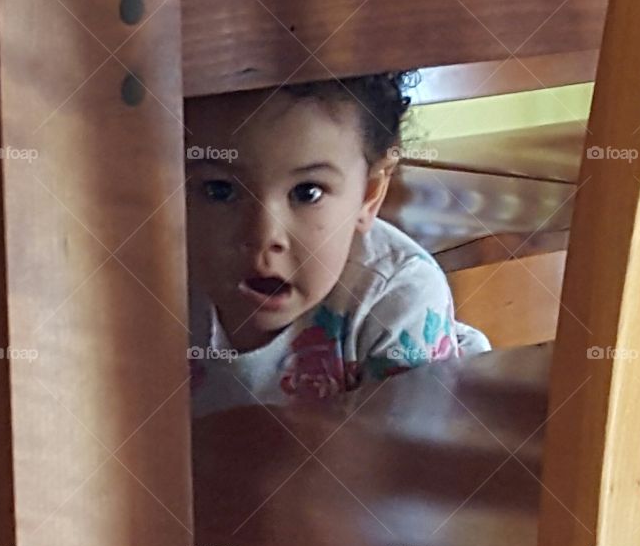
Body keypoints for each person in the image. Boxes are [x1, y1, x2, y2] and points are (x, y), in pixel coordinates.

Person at [186, 72, 490, 414]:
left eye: (307, 192)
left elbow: (410, 459)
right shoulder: (150, 284)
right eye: (220, 191)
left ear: (369, 194)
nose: (264, 236)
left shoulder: (394, 297)